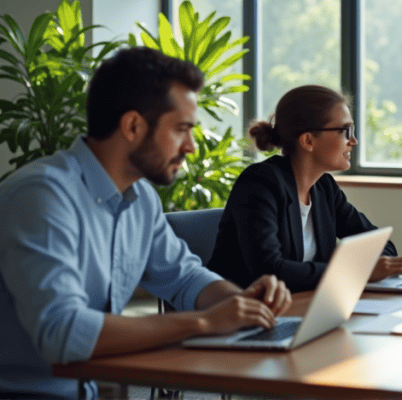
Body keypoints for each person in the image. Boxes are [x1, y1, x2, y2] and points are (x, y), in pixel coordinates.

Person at [0, 47, 292, 400]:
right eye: (182, 129)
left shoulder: (141, 199)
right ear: (133, 126)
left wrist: (243, 302)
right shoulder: (43, 196)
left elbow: (184, 278)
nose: (191, 147)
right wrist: (203, 322)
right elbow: (63, 334)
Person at [208, 85, 402, 292]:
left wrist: (369, 265)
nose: (354, 141)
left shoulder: (324, 188)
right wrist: (354, 270)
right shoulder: (260, 183)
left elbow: (380, 243)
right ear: (308, 140)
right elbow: (270, 272)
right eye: (346, 131)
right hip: (241, 315)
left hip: (306, 307)